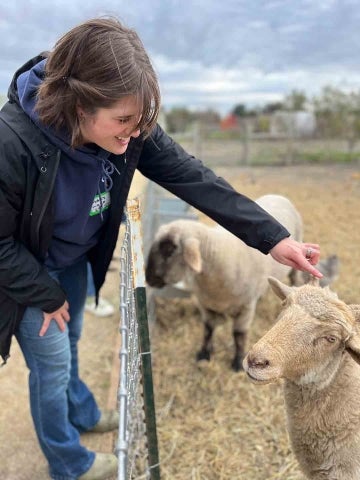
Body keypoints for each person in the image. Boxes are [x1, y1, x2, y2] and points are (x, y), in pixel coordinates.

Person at [0, 16, 322, 480]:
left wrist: (274, 238)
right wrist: (43, 293)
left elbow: (192, 176)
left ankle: (83, 413)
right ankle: (68, 463)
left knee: (70, 341)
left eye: (140, 120)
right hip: (28, 270)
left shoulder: (127, 125)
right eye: (124, 121)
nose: (133, 134)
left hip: (70, 258)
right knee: (50, 366)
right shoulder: (12, 143)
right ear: (79, 104)